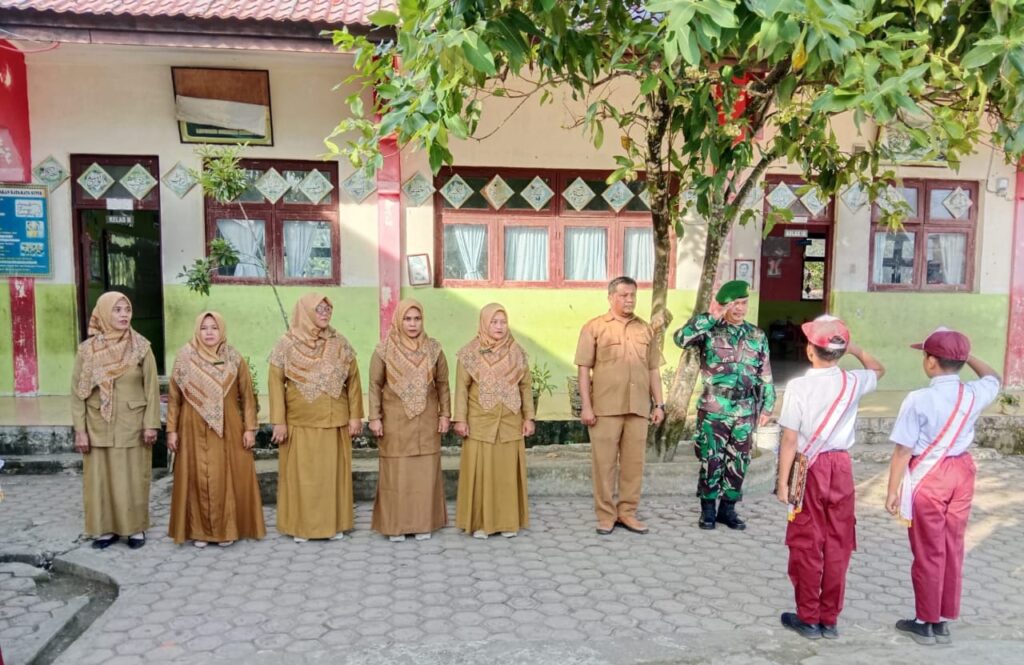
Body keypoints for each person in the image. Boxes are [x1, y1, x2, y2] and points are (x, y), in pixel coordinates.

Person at [885, 328, 1000, 646]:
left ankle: (925, 621)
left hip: (930, 474)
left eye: (925, 355)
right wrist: (966, 356)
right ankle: (943, 618)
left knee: (928, 549)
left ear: (931, 362)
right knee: (952, 546)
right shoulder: (974, 393)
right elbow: (994, 377)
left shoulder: (919, 399)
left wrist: (893, 490)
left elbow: (902, 450)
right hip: (962, 471)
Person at [774, 316, 884, 640]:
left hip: (809, 467)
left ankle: (808, 617)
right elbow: (878, 369)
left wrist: (783, 483)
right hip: (842, 467)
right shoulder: (854, 381)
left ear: (810, 350)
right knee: (839, 542)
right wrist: (856, 350)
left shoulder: (798, 386)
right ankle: (829, 619)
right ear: (839, 351)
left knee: (807, 542)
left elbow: (790, 440)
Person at [674, 279, 774, 530]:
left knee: (739, 460)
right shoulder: (710, 329)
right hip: (714, 408)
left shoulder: (756, 335)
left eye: (743, 303)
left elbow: (765, 373)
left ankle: (727, 510)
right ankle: (707, 511)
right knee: (711, 459)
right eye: (735, 304)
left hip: (745, 409)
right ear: (725, 306)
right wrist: (710, 315)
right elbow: (680, 338)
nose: (740, 308)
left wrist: (768, 406)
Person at [269, 293, 363, 543]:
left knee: (333, 476)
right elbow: (276, 383)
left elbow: (353, 381)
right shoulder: (286, 344)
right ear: (306, 312)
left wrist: (356, 417)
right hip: (300, 422)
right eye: (319, 309)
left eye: (327, 309)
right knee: (303, 478)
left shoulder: (339, 342)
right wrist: (278, 421)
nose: (324, 314)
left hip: (334, 421)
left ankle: (334, 525)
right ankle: (302, 527)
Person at [166, 311, 266, 548]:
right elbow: (173, 398)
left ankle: (227, 530)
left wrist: (250, 428)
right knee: (197, 477)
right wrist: (172, 430)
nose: (209, 332)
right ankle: (200, 532)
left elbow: (247, 397)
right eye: (204, 328)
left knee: (225, 477)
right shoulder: (184, 357)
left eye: (214, 327)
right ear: (197, 331)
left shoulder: (233, 358)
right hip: (191, 427)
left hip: (228, 426)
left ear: (222, 330)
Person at [575, 276, 665, 535]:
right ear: (611, 297)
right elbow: (584, 371)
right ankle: (605, 515)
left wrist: (659, 404)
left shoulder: (645, 329)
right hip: (604, 409)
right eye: (624, 295)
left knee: (633, 464)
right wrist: (587, 407)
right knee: (603, 464)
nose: (629, 300)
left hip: (638, 409)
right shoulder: (594, 327)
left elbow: (653, 371)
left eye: (633, 295)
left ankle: (627, 513)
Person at [71, 292, 160, 550]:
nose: (123, 315)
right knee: (100, 479)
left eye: (127, 310)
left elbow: (151, 388)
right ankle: (105, 529)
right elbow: (78, 392)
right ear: (103, 313)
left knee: (132, 478)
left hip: (132, 423)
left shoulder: (141, 347)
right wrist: (80, 430)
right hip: (97, 424)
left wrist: (151, 423)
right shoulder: (87, 351)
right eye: (117, 310)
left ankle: (135, 529)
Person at [368, 299, 451, 542]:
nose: (413, 324)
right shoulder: (383, 350)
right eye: (407, 319)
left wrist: (445, 414)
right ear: (399, 320)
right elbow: (374, 385)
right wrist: (374, 417)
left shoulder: (434, 349)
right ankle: (396, 526)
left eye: (417, 319)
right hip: (394, 421)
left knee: (424, 473)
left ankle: (424, 523)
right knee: (397, 472)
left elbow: (443, 385)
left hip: (426, 421)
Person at [454, 303, 533, 539]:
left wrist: (529, 417)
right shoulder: (469, 353)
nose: (499, 327)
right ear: (484, 323)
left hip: (510, 422)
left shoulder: (517, 352)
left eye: (503, 322)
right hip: (480, 422)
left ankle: (508, 523)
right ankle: (480, 524)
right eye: (494, 322)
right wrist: (460, 419)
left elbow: (525, 387)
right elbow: (461, 389)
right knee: (481, 474)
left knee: (506, 474)